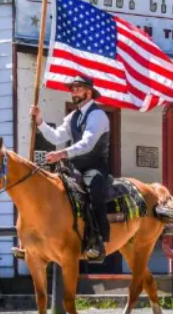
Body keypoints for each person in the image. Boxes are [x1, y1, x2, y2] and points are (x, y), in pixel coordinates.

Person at [17, 75, 111, 262]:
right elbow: (56, 137)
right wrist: (40, 121)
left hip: (94, 167)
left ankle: (97, 241)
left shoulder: (98, 115)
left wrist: (62, 154)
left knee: (94, 191)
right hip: (74, 167)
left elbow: (87, 144)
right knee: (49, 188)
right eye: (72, 88)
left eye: (78, 88)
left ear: (88, 92)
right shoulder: (73, 116)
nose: (73, 91)